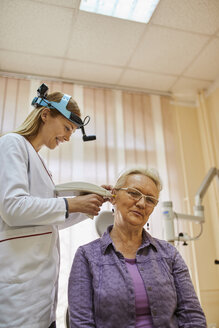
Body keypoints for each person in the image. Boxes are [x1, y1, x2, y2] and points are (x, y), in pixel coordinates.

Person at [0, 83, 107, 328]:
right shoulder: (12, 144)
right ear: (45, 114)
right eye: (67, 128)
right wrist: (74, 202)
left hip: (39, 299)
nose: (69, 137)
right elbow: (13, 208)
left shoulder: (39, 163)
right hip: (17, 299)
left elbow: (48, 218)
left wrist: (90, 202)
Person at [68, 167, 207, 328]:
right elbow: (81, 323)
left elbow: (192, 316)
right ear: (113, 197)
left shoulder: (169, 254)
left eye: (150, 200)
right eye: (134, 193)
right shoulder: (87, 256)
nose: (141, 203)